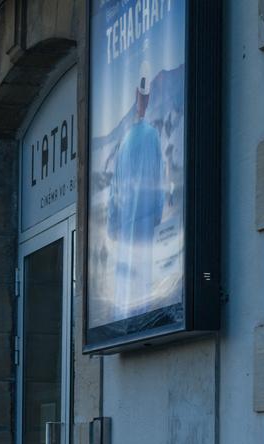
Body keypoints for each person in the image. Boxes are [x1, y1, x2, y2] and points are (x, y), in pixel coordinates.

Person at [108, 54, 166, 318]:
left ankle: (125, 316)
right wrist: (157, 211)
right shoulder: (152, 136)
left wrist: (112, 223)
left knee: (126, 272)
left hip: (126, 221)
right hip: (143, 218)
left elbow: (114, 192)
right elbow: (159, 178)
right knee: (142, 272)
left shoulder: (124, 143)